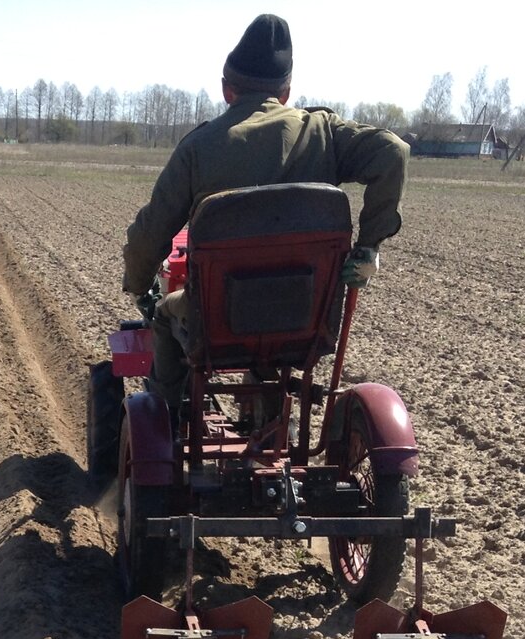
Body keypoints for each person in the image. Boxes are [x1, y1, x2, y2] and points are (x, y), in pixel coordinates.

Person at [122, 13, 409, 409]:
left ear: (227, 89)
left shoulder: (198, 148)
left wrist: (139, 286)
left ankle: (166, 422)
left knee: (163, 315)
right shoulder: (322, 133)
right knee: (276, 329)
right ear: (286, 91)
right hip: (306, 319)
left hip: (216, 321)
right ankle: (269, 420)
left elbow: (151, 234)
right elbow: (393, 150)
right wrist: (369, 247)